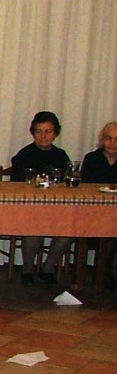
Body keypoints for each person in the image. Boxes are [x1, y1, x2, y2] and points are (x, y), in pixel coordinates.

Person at [10, 111, 72, 285]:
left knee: (69, 231)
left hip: (56, 208)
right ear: (33, 133)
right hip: (30, 208)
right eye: (39, 131)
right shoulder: (24, 155)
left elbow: (68, 182)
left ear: (55, 133)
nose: (43, 136)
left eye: (48, 131)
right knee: (34, 229)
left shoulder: (61, 155)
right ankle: (27, 270)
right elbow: (16, 185)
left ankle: (47, 268)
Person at [81, 121, 117, 287]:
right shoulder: (92, 159)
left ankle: (104, 274)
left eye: (116, 139)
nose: (112, 143)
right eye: (108, 138)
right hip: (92, 214)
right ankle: (103, 276)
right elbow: (85, 188)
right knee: (110, 234)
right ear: (102, 140)